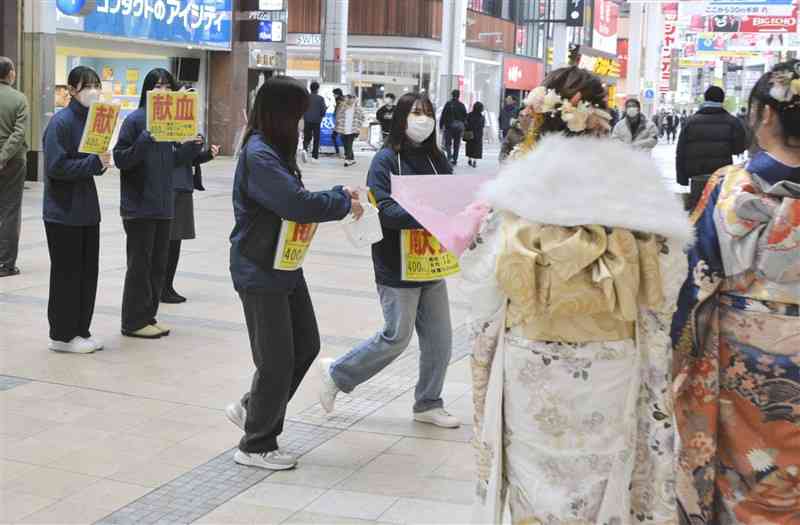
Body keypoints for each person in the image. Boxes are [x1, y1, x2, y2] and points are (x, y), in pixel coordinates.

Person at [464, 66, 691, 524]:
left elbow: (488, 277)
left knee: (536, 472)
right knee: (604, 468)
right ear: (601, 116)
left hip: (533, 355)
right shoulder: (635, 181)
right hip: (612, 355)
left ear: (540, 116)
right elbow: (669, 272)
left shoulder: (521, 182)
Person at [673, 59, 800, 524]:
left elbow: (695, 280)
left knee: (743, 472)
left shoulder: (731, 187)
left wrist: (674, 352)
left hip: (743, 367)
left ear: (765, 116)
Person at [225, 77, 362, 471]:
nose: (303, 123)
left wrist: (338, 193)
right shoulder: (259, 155)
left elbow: (295, 196)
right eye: (298, 115)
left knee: (305, 344)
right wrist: (339, 201)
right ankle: (255, 445)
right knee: (277, 360)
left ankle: (253, 409)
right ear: (282, 115)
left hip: (282, 263)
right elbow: (293, 203)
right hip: (259, 267)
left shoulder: (273, 151)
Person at [317, 92, 460, 429]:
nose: (422, 119)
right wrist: (431, 210)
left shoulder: (437, 159)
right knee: (397, 336)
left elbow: (453, 198)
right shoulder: (386, 160)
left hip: (431, 260)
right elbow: (387, 213)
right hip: (395, 262)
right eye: (415, 112)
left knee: (440, 340)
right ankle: (338, 373)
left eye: (427, 112)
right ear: (400, 118)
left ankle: (428, 402)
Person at [113, 68, 204, 339]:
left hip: (164, 204)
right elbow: (121, 158)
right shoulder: (136, 120)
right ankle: (132, 321)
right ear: (147, 89)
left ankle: (148, 316)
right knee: (139, 266)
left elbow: (171, 160)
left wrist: (190, 148)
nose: (162, 91)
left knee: (157, 265)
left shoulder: (171, 123)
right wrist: (143, 140)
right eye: (158, 86)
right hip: (139, 206)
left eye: (167, 86)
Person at [41, 66, 109, 354]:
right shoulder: (61, 123)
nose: (92, 90)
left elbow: (91, 163)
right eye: (86, 85)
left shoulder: (95, 121)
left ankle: (81, 330)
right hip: (62, 212)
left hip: (86, 210)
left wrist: (102, 162)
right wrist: (94, 164)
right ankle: (62, 335)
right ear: (70, 89)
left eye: (96, 85)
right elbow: (56, 168)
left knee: (87, 274)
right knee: (67, 275)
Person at [162, 97, 220, 304]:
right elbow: (173, 157)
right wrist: (189, 146)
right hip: (172, 189)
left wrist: (205, 154)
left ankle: (167, 286)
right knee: (168, 242)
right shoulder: (163, 127)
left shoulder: (184, 126)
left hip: (183, 187)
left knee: (175, 242)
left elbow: (187, 159)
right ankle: (163, 287)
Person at [675, 86, 747, 210]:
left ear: (705, 98)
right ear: (722, 100)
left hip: (697, 176)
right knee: (717, 214)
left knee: (697, 213)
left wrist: (682, 178)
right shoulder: (732, 121)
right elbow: (739, 148)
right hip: (721, 177)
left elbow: (681, 151)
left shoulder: (690, 121)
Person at [0, 56, 28, 278]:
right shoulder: (19, 99)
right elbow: (18, 133)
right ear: (10, 74)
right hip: (14, 162)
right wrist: (3, 156)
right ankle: (6, 263)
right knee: (10, 210)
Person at [439, 89, 468, 165]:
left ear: (452, 95)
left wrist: (441, 125)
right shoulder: (462, 105)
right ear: (458, 96)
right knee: (456, 144)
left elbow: (443, 115)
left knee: (447, 143)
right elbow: (465, 116)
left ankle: (449, 156)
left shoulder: (448, 104)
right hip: (458, 128)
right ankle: (455, 160)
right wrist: (464, 125)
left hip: (449, 126)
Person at [335, 94, 364, 167]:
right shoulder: (342, 107)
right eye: (347, 99)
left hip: (353, 129)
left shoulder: (357, 108)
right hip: (343, 129)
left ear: (353, 99)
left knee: (349, 143)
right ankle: (352, 158)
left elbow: (362, 117)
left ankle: (347, 159)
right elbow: (338, 116)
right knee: (345, 144)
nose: (349, 100)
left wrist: (358, 127)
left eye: (351, 99)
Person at [301, 81, 326, 163]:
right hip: (316, 121)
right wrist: (322, 115)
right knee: (316, 138)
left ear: (310, 88)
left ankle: (304, 149)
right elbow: (323, 111)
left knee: (307, 136)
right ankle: (314, 157)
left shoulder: (305, 97)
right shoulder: (320, 98)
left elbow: (302, 108)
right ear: (317, 89)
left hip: (307, 120)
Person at [465, 101, 485, 168]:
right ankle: (475, 161)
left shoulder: (469, 115)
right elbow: (482, 126)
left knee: (470, 147)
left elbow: (466, 124)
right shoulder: (482, 117)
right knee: (477, 148)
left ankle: (469, 159)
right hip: (478, 135)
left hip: (470, 133)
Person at [331, 88, 344, 158]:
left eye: (334, 94)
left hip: (339, 122)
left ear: (337, 94)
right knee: (342, 137)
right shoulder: (341, 100)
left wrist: (337, 120)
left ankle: (339, 152)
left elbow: (339, 111)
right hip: (340, 121)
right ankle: (342, 152)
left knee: (335, 136)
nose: (333, 95)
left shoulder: (340, 100)